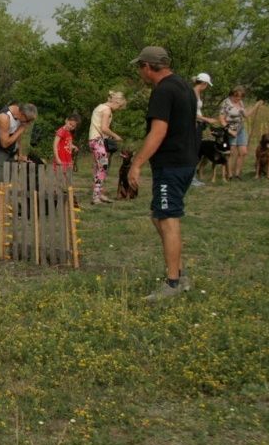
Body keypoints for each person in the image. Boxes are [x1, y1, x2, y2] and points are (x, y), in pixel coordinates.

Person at [126, 46, 199, 302]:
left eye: (140, 67)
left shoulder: (163, 91)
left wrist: (136, 164)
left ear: (147, 66)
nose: (140, 72)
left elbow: (158, 132)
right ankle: (178, 271)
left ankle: (173, 283)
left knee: (167, 219)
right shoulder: (183, 85)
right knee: (159, 216)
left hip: (172, 163)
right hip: (186, 160)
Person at [0, 102, 37, 222]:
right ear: (21, 113)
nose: (27, 123)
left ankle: (4, 209)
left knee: (7, 181)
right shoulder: (5, 118)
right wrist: (21, 130)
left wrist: (20, 154)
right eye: (27, 120)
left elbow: (17, 138)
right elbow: (5, 142)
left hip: (10, 150)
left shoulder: (21, 118)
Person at [87, 91, 126, 205]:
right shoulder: (107, 110)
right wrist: (116, 136)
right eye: (119, 106)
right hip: (98, 141)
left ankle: (99, 193)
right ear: (115, 102)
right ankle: (96, 197)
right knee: (102, 167)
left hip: (93, 140)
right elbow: (104, 128)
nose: (118, 109)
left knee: (98, 167)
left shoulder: (99, 107)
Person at [218, 85, 264, 180]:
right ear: (232, 94)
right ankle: (229, 174)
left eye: (241, 96)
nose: (238, 98)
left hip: (240, 129)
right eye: (236, 96)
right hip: (230, 129)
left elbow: (246, 115)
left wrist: (256, 106)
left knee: (243, 152)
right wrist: (229, 130)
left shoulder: (240, 102)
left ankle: (237, 174)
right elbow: (221, 119)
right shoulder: (226, 103)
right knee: (231, 152)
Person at [190, 72, 215, 187]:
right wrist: (207, 119)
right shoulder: (193, 93)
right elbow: (191, 113)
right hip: (193, 125)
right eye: (207, 85)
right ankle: (191, 178)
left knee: (196, 151)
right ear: (204, 83)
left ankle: (191, 177)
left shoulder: (197, 93)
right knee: (193, 151)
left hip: (198, 124)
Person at [52, 113, 81, 180]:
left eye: (73, 126)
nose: (71, 127)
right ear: (66, 120)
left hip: (67, 157)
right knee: (59, 176)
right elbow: (55, 145)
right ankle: (57, 190)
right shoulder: (61, 131)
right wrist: (57, 158)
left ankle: (65, 189)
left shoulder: (68, 133)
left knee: (66, 176)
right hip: (61, 157)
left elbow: (67, 143)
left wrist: (73, 147)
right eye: (70, 124)